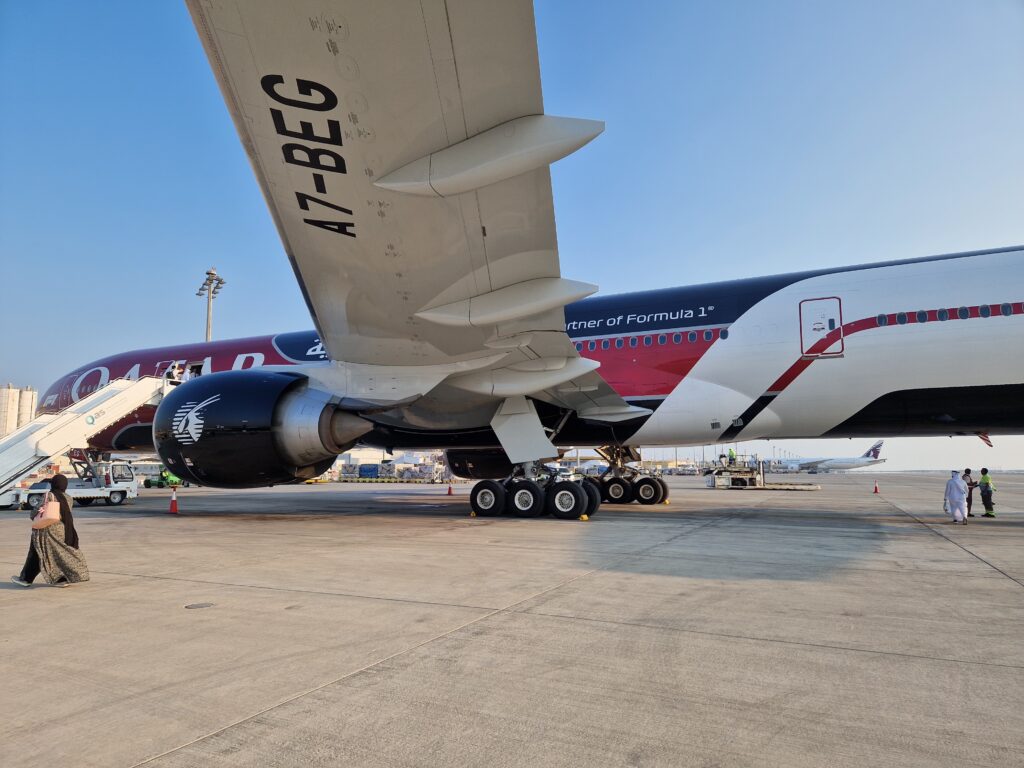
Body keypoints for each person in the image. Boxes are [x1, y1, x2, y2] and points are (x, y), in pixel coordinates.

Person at [11, 474, 90, 587]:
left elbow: (35, 511)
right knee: (55, 554)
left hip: (46, 529)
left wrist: (33, 514)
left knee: (39, 552)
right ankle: (54, 579)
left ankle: (28, 579)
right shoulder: (69, 498)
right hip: (62, 530)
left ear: (53, 483)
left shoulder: (49, 495)